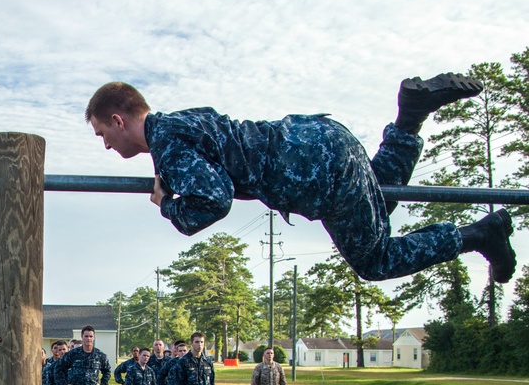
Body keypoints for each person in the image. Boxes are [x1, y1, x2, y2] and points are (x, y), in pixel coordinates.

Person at [86, 74, 517, 284]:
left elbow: (214, 199)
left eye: (102, 133)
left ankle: (478, 235)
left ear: (119, 120)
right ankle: (410, 115)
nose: (105, 144)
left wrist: (167, 205)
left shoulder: (168, 143)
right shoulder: (179, 121)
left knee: (375, 260)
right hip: (323, 137)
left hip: (309, 172)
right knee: (377, 203)